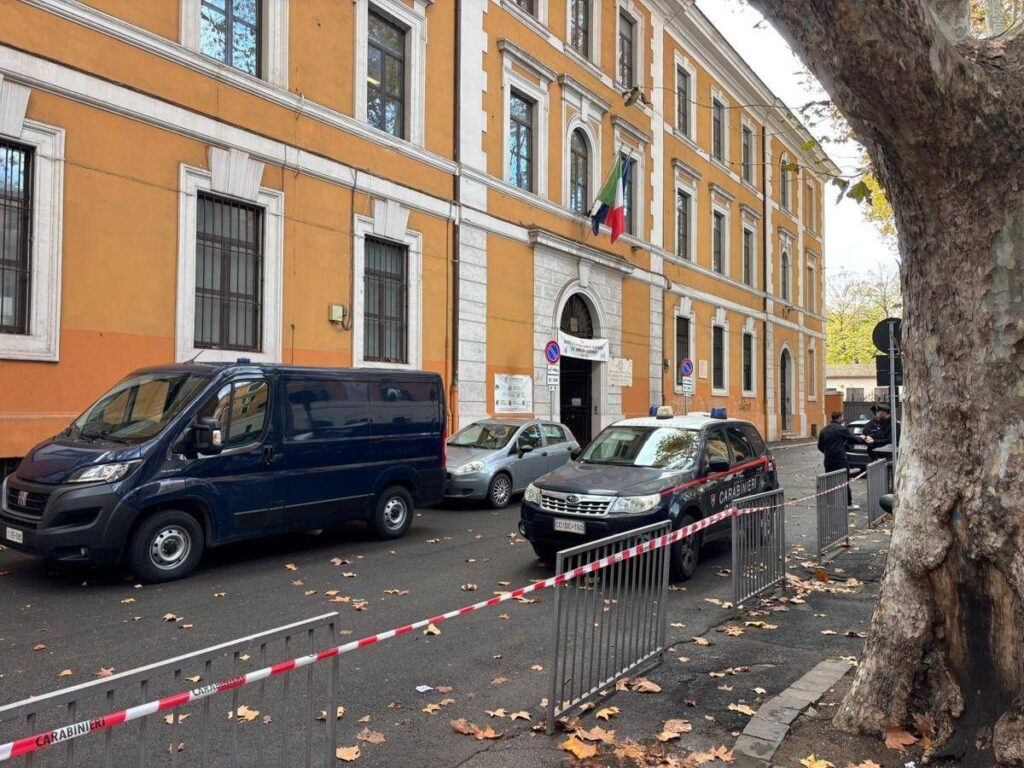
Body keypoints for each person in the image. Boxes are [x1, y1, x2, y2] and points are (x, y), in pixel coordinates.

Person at [817, 411, 870, 509]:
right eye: (842, 417)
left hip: (828, 460)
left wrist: (828, 453)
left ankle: (831, 503)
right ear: (839, 418)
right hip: (840, 460)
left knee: (830, 481)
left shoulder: (824, 430)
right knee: (844, 481)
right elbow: (853, 439)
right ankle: (848, 504)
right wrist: (864, 438)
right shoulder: (842, 429)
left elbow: (820, 446)